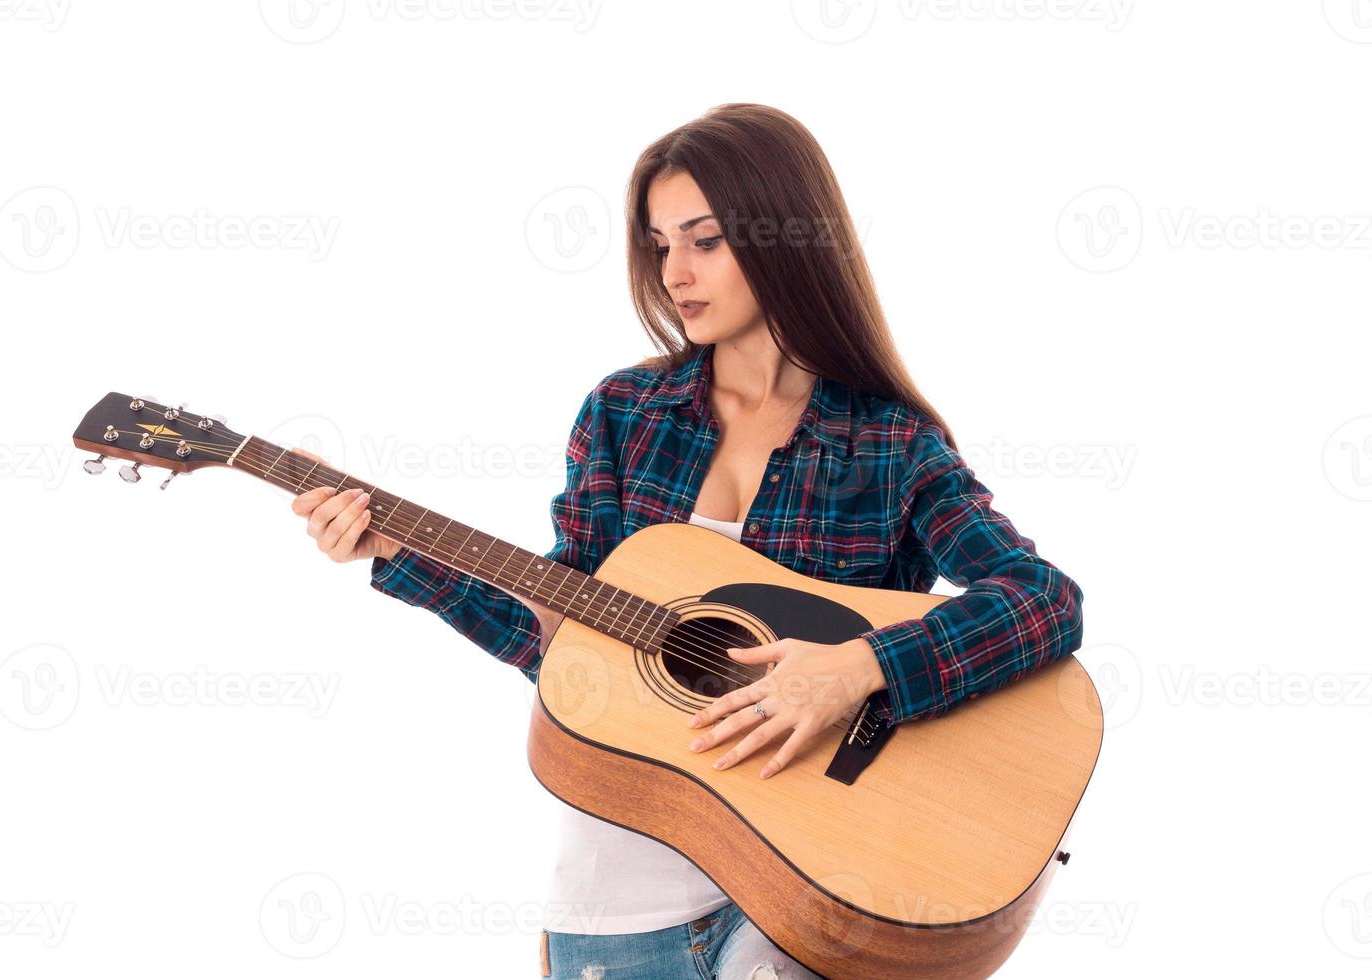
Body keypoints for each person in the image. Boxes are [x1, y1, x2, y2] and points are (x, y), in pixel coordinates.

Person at [290, 103, 1084, 979]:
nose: (675, 271)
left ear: (785, 239)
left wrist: (859, 668)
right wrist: (396, 553)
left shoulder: (889, 446)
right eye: (661, 243)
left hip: (802, 908)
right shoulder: (625, 416)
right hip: (610, 910)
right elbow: (563, 653)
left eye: (704, 240)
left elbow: (1044, 601)